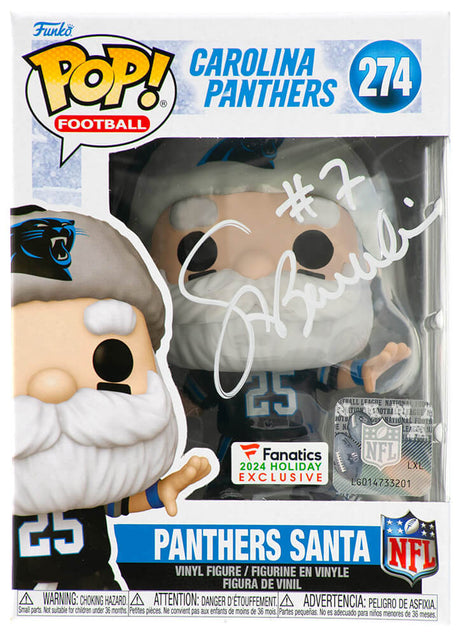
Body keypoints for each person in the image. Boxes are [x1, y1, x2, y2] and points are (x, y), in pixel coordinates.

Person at [115, 138, 416, 499]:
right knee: (229, 489)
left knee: (315, 491)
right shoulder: (223, 373)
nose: (254, 268)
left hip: (305, 450)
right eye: (200, 251)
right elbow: (191, 400)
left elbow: (336, 376)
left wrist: (371, 369)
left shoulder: (306, 369)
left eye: (313, 249)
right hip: (237, 450)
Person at [12, 206, 211, 589]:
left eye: (113, 362)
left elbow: (120, 505)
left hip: (94, 590)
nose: (55, 387)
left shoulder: (92, 485)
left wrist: (166, 488)